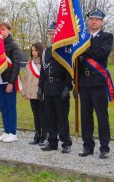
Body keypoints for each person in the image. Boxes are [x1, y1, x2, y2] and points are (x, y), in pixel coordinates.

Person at [78, 9, 114, 159]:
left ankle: (104, 147)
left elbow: (102, 53)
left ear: (101, 22)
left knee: (102, 116)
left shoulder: (107, 37)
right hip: (84, 82)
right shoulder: (81, 37)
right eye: (91, 19)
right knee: (86, 117)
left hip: (98, 82)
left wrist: (85, 50)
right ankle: (88, 146)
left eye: (97, 19)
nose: (93, 21)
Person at [38, 22, 72, 154]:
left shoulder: (64, 50)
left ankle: (66, 142)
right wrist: (40, 87)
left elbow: (69, 70)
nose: (52, 36)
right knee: (49, 117)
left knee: (62, 117)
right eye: (50, 34)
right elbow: (43, 72)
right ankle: (52, 141)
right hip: (48, 87)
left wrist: (68, 87)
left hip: (60, 87)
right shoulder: (46, 51)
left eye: (54, 33)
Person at [0, 22, 21, 143]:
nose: (1, 31)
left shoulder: (13, 45)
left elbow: (16, 65)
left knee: (10, 107)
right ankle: (6, 131)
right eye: (0, 29)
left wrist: (11, 82)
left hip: (8, 81)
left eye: (3, 29)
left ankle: (12, 132)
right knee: (2, 108)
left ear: (9, 31)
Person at [23, 42, 46, 145]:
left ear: (40, 51)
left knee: (42, 115)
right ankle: (37, 134)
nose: (34, 52)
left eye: (35, 50)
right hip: (32, 93)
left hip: (40, 93)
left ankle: (44, 135)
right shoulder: (29, 64)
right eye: (32, 50)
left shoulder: (44, 64)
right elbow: (26, 79)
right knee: (35, 115)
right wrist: (25, 91)